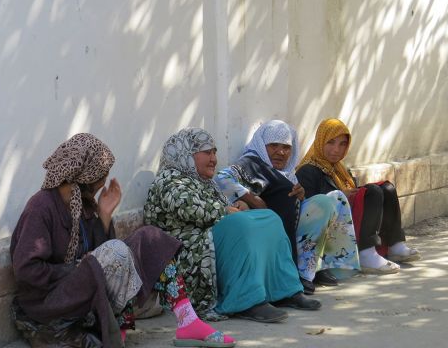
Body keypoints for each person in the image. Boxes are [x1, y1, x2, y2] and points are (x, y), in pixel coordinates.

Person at [10, 133, 235, 348]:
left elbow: (100, 256)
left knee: (149, 237)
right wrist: (77, 268)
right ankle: (118, 327)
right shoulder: (41, 207)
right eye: (101, 175)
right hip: (53, 300)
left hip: (87, 288)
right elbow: (27, 271)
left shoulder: (85, 205)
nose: (103, 183)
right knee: (117, 251)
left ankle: (187, 321)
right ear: (86, 175)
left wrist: (104, 216)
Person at [144, 128, 320, 323]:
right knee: (239, 225)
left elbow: (218, 207)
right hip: (188, 252)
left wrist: (238, 205)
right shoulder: (168, 181)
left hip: (209, 238)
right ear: (186, 154)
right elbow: (192, 209)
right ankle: (245, 300)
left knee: (269, 218)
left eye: (214, 152)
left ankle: (284, 290)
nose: (213, 159)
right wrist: (226, 211)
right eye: (207, 153)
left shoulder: (203, 181)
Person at [214, 120, 360, 295]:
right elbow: (222, 178)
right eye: (273, 145)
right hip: (264, 229)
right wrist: (254, 200)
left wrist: (301, 196)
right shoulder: (252, 162)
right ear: (262, 145)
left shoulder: (289, 173)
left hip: (289, 230)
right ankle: (289, 275)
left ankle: (309, 270)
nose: (281, 152)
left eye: (286, 147)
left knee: (329, 201)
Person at [295, 118, 421, 274]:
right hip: (329, 233)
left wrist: (350, 195)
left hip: (348, 223)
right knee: (373, 191)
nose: (336, 150)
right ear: (320, 141)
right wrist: (341, 196)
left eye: (342, 144)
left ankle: (395, 245)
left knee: (386, 188)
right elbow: (310, 211)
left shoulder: (340, 170)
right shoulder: (307, 171)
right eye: (331, 142)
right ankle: (365, 253)